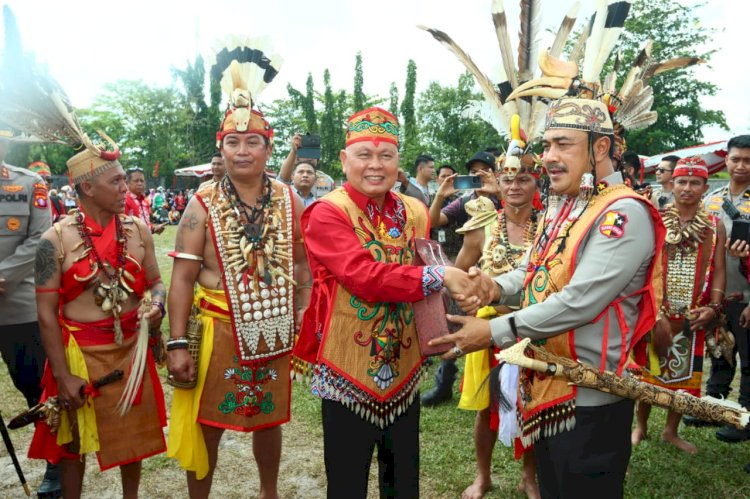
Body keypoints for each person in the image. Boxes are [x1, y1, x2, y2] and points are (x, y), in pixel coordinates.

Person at [431, 92, 664, 496]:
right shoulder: (567, 205)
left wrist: (491, 331)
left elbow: (580, 301)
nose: (549, 156)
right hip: (546, 384)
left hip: (592, 397)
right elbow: (537, 267)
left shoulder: (623, 212)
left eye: (563, 144)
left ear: (601, 147)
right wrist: (493, 286)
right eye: (546, 144)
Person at [293, 106, 485, 498]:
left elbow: (429, 265)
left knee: (404, 483)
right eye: (364, 155)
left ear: (399, 162)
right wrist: (440, 276)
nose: (375, 166)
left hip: (403, 366)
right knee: (347, 483)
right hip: (346, 365)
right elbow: (363, 276)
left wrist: (463, 284)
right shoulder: (326, 212)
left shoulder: (415, 210)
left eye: (386, 156)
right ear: (345, 160)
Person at [166, 44, 309, 499]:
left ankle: (270, 492)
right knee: (208, 423)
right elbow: (183, 279)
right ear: (220, 146)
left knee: (270, 419)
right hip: (216, 333)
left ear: (268, 147)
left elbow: (303, 266)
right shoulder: (201, 203)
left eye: (252, 142)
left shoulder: (291, 200)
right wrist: (176, 344)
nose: (242, 151)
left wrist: (303, 317)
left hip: (273, 331)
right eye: (233, 141)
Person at [29, 135, 167, 498]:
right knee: (73, 447)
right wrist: (63, 375)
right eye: (116, 181)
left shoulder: (138, 230)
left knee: (133, 440)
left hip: (131, 352)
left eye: (125, 179)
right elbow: (45, 315)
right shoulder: (54, 240)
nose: (127, 187)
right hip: (80, 354)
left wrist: (157, 307)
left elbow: (156, 284)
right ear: (87, 187)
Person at [454, 144, 541, 499]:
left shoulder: (551, 226)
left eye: (524, 178)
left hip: (537, 328)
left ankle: (530, 477)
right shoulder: (481, 228)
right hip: (489, 331)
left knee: (536, 404)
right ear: (498, 184)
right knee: (486, 406)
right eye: (508, 179)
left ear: (538, 182)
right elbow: (457, 273)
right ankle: (483, 476)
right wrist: (471, 295)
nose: (515, 186)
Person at [632, 156, 726, 455]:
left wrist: (714, 306)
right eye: (682, 182)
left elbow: (720, 268)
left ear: (705, 186)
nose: (687, 188)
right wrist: (652, 308)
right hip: (657, 310)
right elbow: (644, 265)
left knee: (686, 378)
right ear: (672, 184)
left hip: (692, 312)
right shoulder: (656, 218)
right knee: (648, 373)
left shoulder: (714, 224)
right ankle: (641, 426)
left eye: (694, 182)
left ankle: (671, 431)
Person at [0, 128, 60, 497]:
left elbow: (40, 238)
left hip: (17, 307)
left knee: (35, 388)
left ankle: (55, 462)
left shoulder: (30, 183)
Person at [422, 151, 502, 407]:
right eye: (473, 172)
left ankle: (495, 385)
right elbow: (433, 221)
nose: (478, 177)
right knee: (456, 325)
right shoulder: (464, 201)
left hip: (500, 277)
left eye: (483, 171)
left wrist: (498, 192)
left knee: (495, 332)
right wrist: (440, 195)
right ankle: (444, 383)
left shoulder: (505, 199)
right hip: (464, 271)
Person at [702, 134, 750, 442]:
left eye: (748, 161)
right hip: (719, 293)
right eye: (735, 159)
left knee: (749, 361)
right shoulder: (712, 199)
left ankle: (744, 419)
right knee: (720, 352)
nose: (741, 166)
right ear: (726, 160)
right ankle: (713, 408)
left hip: (747, 295)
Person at [124, 167, 166, 234]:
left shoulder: (145, 202)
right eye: (136, 181)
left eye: (142, 181)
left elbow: (146, 223)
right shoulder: (124, 201)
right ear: (127, 183)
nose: (140, 183)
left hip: (146, 242)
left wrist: (153, 229)